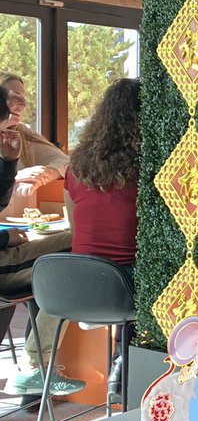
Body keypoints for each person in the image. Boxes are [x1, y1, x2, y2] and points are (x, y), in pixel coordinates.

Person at [0, 88, 81, 397]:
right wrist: (5, 236)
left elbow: (62, 162)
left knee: (78, 243)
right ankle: (35, 367)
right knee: (79, 255)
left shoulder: (22, 138)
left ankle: (35, 368)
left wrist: (8, 163)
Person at [63, 78, 140, 397]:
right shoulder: (147, 169)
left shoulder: (76, 168)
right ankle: (129, 362)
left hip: (75, 287)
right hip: (121, 287)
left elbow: (73, 229)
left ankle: (41, 365)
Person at [0, 74, 70, 217]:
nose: (24, 105)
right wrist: (17, 176)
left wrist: (41, 176)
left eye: (24, 98)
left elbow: (67, 162)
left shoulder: (23, 133)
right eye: (15, 97)